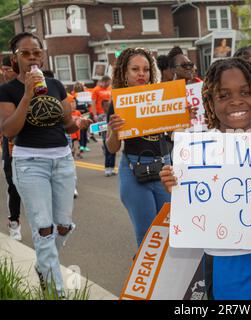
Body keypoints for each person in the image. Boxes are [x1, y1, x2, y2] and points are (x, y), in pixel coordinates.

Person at [159, 57, 251, 300]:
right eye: (224, 95)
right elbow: (193, 202)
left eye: (246, 92)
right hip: (227, 260)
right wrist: (176, 185)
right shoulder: (196, 150)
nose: (236, 101)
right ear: (210, 102)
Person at [0, 32, 90, 296]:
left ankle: (43, 264)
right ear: (15, 58)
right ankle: (56, 291)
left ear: (42, 55)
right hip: (29, 162)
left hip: (61, 159)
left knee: (62, 225)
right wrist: (27, 95)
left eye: (36, 53)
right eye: (25, 53)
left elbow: (67, 122)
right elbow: (8, 130)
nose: (31, 58)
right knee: (43, 226)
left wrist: (79, 122)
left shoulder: (56, 84)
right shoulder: (7, 90)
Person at [105, 48, 172, 247]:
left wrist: (186, 116)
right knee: (148, 238)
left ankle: (168, 278)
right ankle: (147, 277)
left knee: (171, 233)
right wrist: (115, 131)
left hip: (165, 169)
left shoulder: (163, 97)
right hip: (135, 170)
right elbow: (111, 148)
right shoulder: (117, 103)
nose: (141, 73)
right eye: (135, 69)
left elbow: (176, 135)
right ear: (124, 73)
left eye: (146, 69)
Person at [0, 54, 21, 240]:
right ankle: (14, 222)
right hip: (10, 144)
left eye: (8, 69)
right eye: (3, 69)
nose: (5, 73)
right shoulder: (3, 90)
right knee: (13, 184)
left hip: (32, 144)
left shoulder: (27, 88)